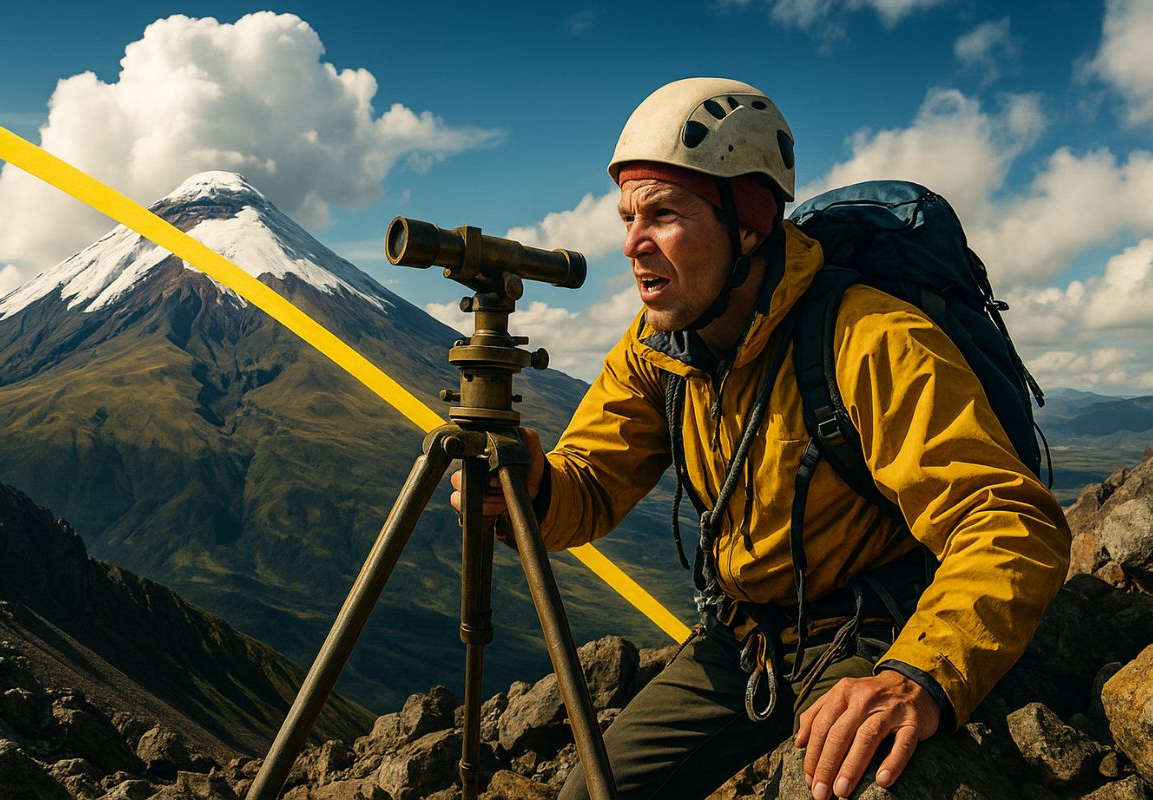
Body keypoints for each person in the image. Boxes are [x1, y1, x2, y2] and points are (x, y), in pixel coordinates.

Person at [450, 77, 1071, 800]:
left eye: (663, 213)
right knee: (591, 793)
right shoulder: (659, 348)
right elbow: (591, 484)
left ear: (747, 220)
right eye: (627, 217)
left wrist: (918, 676)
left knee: (842, 784)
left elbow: (1007, 521)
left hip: (874, 629)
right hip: (742, 639)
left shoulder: (871, 338)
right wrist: (532, 489)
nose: (632, 244)